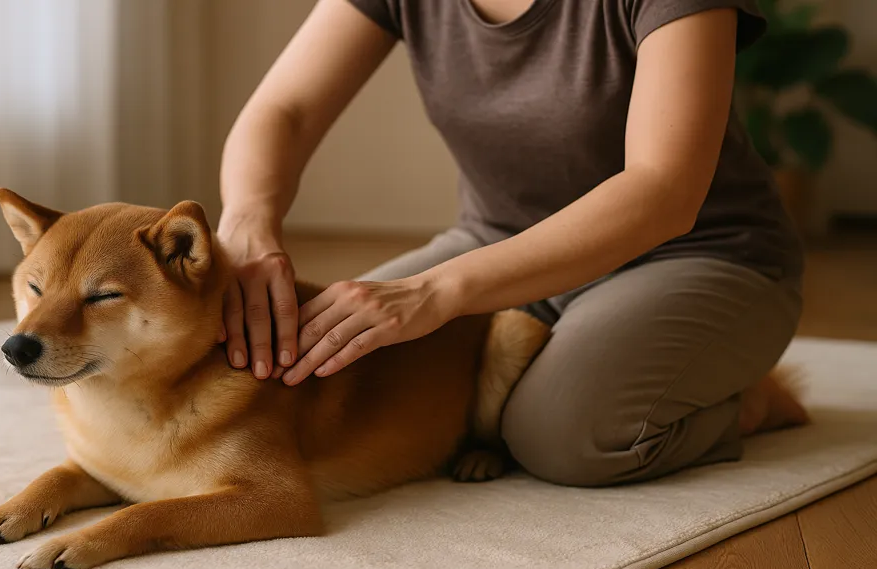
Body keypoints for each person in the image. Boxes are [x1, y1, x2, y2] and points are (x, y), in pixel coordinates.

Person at [215, 0, 806, 487]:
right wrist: (247, 221)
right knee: (329, 369)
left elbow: (664, 189)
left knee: (559, 436)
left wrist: (435, 290)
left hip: (704, 253)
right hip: (494, 243)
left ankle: (742, 400)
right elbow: (285, 109)